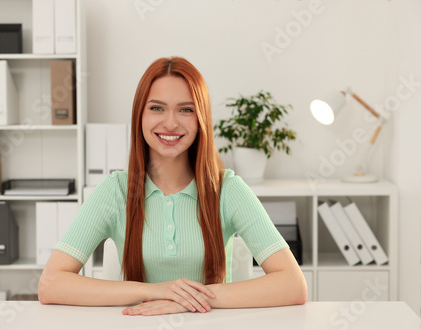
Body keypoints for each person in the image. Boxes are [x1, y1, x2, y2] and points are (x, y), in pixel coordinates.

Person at [38, 56, 307, 316]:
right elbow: (50, 285)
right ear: (139, 116)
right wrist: (156, 291)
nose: (170, 123)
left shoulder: (227, 189)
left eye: (186, 110)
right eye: (157, 108)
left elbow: (293, 285)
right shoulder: (116, 191)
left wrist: (188, 300)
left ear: (201, 118)